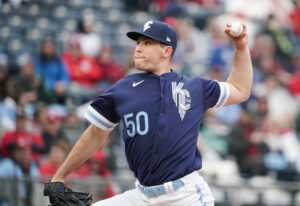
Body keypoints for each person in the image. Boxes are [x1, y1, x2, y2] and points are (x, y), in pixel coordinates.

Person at [48, 20, 253, 206]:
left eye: (146, 43)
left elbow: (240, 89)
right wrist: (60, 175)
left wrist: (241, 47)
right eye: (138, 43)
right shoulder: (123, 89)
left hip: (186, 196)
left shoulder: (194, 87)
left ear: (166, 51)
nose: (137, 49)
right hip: (142, 196)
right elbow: (95, 134)